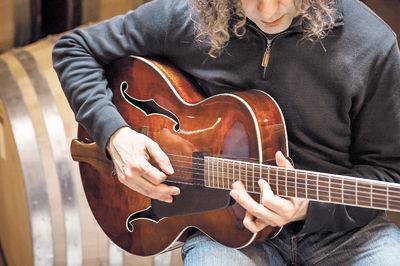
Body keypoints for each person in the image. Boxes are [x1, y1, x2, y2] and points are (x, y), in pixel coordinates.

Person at [52, 0, 400, 265]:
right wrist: (115, 135)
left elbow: (386, 171)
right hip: (225, 231)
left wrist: (306, 208)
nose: (266, 11)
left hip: (346, 233)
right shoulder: (194, 14)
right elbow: (74, 50)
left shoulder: (371, 44)